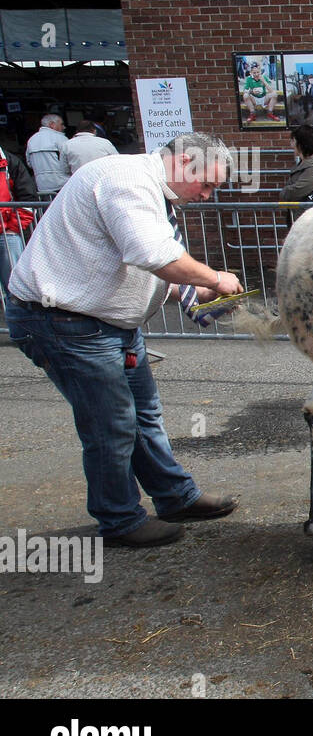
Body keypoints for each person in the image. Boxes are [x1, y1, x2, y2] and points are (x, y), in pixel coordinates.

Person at [5, 133, 246, 548]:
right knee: (111, 425)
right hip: (67, 321)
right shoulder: (125, 180)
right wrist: (215, 278)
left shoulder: (145, 187)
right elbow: (153, 255)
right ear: (185, 162)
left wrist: (192, 294)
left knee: (144, 415)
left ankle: (174, 497)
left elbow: (138, 264)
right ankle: (118, 519)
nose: (207, 194)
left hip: (101, 321)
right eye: (207, 183)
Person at [0, 143, 37, 309]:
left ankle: (21, 329)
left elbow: (28, 198)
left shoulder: (10, 162)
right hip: (7, 234)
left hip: (7, 235)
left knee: (16, 289)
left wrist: (13, 228)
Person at [26, 114, 72, 195]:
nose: (64, 127)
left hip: (42, 186)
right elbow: (70, 160)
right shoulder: (60, 138)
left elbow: (29, 163)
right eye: (61, 124)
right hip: (63, 184)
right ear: (52, 124)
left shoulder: (32, 140)